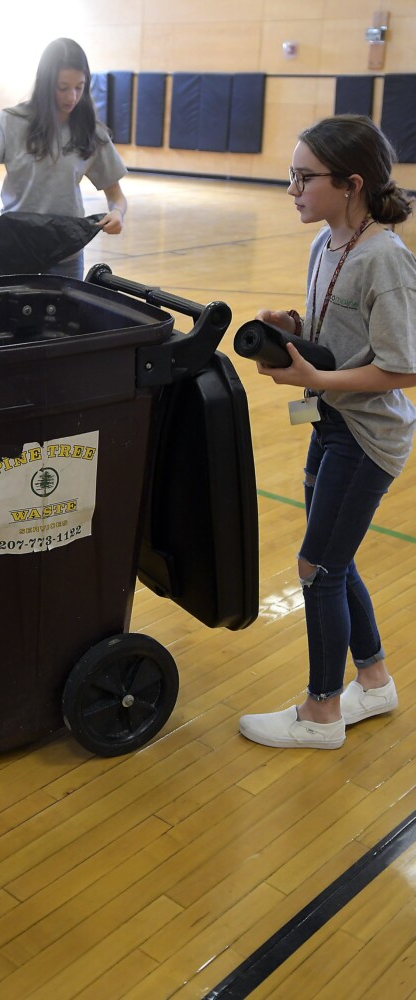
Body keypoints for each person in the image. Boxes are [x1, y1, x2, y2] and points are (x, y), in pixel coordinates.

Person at [238, 114, 416, 750]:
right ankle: (372, 680)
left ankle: (321, 714)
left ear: (351, 184)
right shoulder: (326, 245)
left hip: (367, 438)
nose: (292, 188)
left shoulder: (386, 259)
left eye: (303, 177)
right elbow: (332, 333)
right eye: (291, 175)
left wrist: (312, 379)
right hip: (332, 422)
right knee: (333, 560)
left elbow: (404, 367)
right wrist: (288, 322)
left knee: (317, 566)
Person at [0, 37, 128, 280]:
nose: (72, 96)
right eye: (63, 87)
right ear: (47, 83)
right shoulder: (10, 122)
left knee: (63, 316)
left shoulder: (90, 131)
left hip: (65, 253)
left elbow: (116, 196)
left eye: (80, 87)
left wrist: (118, 213)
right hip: (16, 247)